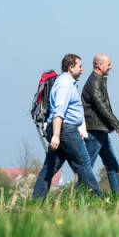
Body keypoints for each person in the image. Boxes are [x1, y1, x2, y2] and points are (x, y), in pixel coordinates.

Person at [32, 54, 102, 199]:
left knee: (50, 167)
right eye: (79, 66)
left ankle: (36, 201)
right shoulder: (64, 85)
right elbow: (59, 112)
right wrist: (56, 136)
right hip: (65, 130)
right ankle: (98, 198)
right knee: (83, 162)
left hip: (65, 130)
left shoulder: (68, 83)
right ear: (71, 67)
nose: (82, 70)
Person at [81, 53, 119, 195]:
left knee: (112, 164)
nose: (111, 67)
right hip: (95, 130)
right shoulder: (94, 82)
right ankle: (78, 196)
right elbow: (102, 107)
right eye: (108, 64)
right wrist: (118, 126)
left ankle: (118, 198)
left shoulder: (100, 79)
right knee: (87, 167)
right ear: (99, 65)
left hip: (101, 129)